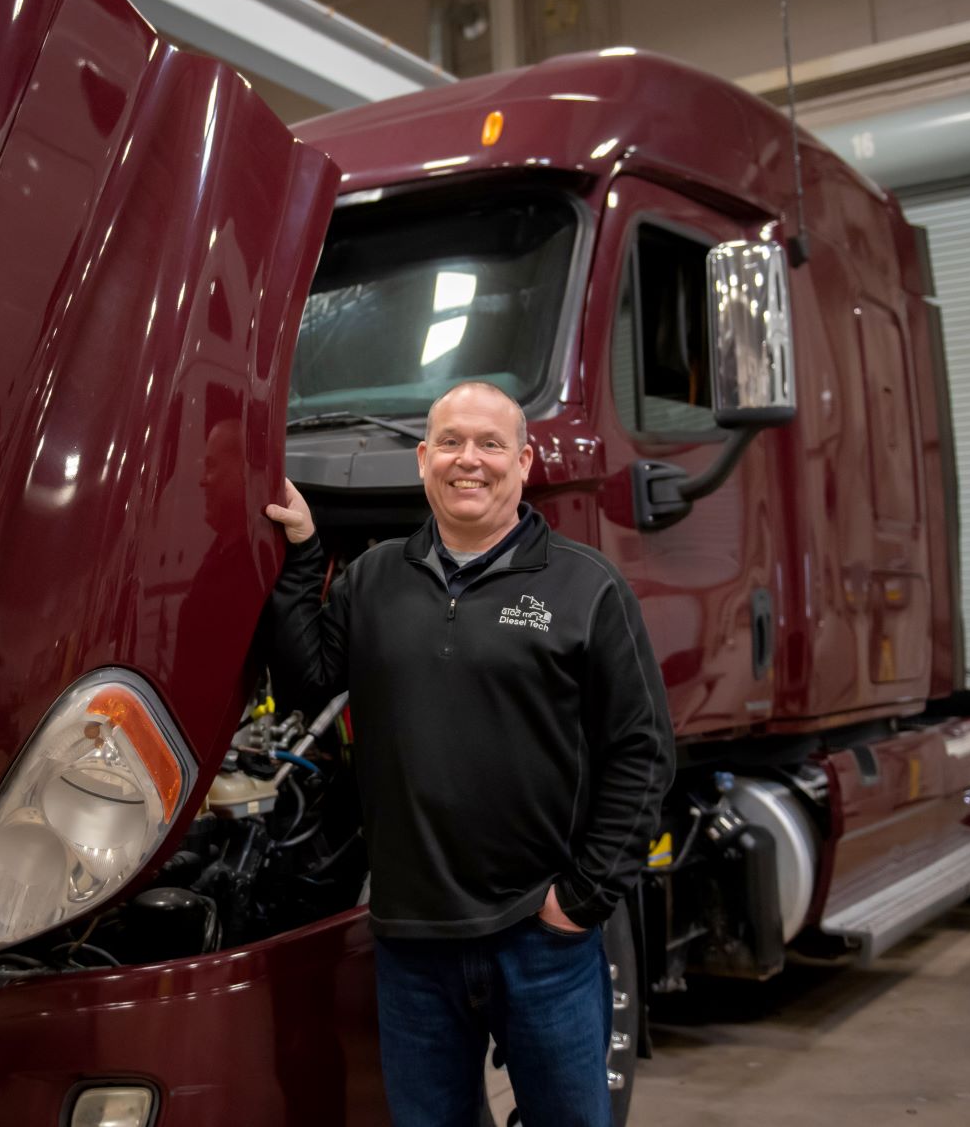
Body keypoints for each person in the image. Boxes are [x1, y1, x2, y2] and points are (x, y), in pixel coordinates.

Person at [263, 380, 674, 1127]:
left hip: (540, 937)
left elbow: (641, 753)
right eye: (450, 441)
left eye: (490, 444)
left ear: (524, 461)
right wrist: (302, 552)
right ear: (423, 459)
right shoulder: (373, 580)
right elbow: (305, 681)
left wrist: (581, 901)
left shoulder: (586, 588)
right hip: (413, 942)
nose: (469, 460)